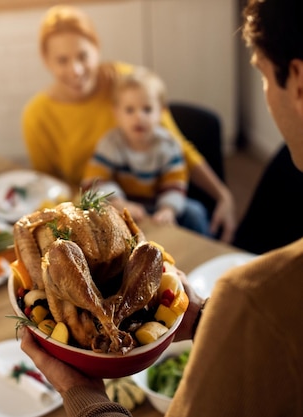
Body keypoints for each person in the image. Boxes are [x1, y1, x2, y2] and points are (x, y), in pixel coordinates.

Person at [20, 0, 303, 415]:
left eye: (260, 73)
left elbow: (176, 150)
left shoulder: (252, 299)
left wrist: (81, 393)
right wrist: (207, 321)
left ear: (297, 82)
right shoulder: (44, 115)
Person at [22, 4, 236, 242]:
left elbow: (178, 147)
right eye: (62, 60)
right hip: (97, 215)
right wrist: (112, 206)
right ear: (46, 60)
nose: (76, 69)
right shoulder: (37, 115)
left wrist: (223, 195)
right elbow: (50, 188)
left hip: (156, 205)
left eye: (83, 56)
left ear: (97, 47)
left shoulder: (129, 84)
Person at [82, 67, 210, 236]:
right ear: (117, 113)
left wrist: (168, 209)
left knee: (196, 212)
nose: (138, 117)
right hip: (122, 206)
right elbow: (94, 180)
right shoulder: (110, 144)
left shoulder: (168, 144)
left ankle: (209, 252)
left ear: (161, 113)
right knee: (90, 212)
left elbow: (175, 183)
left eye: (147, 109)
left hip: (157, 205)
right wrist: (118, 202)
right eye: (129, 110)